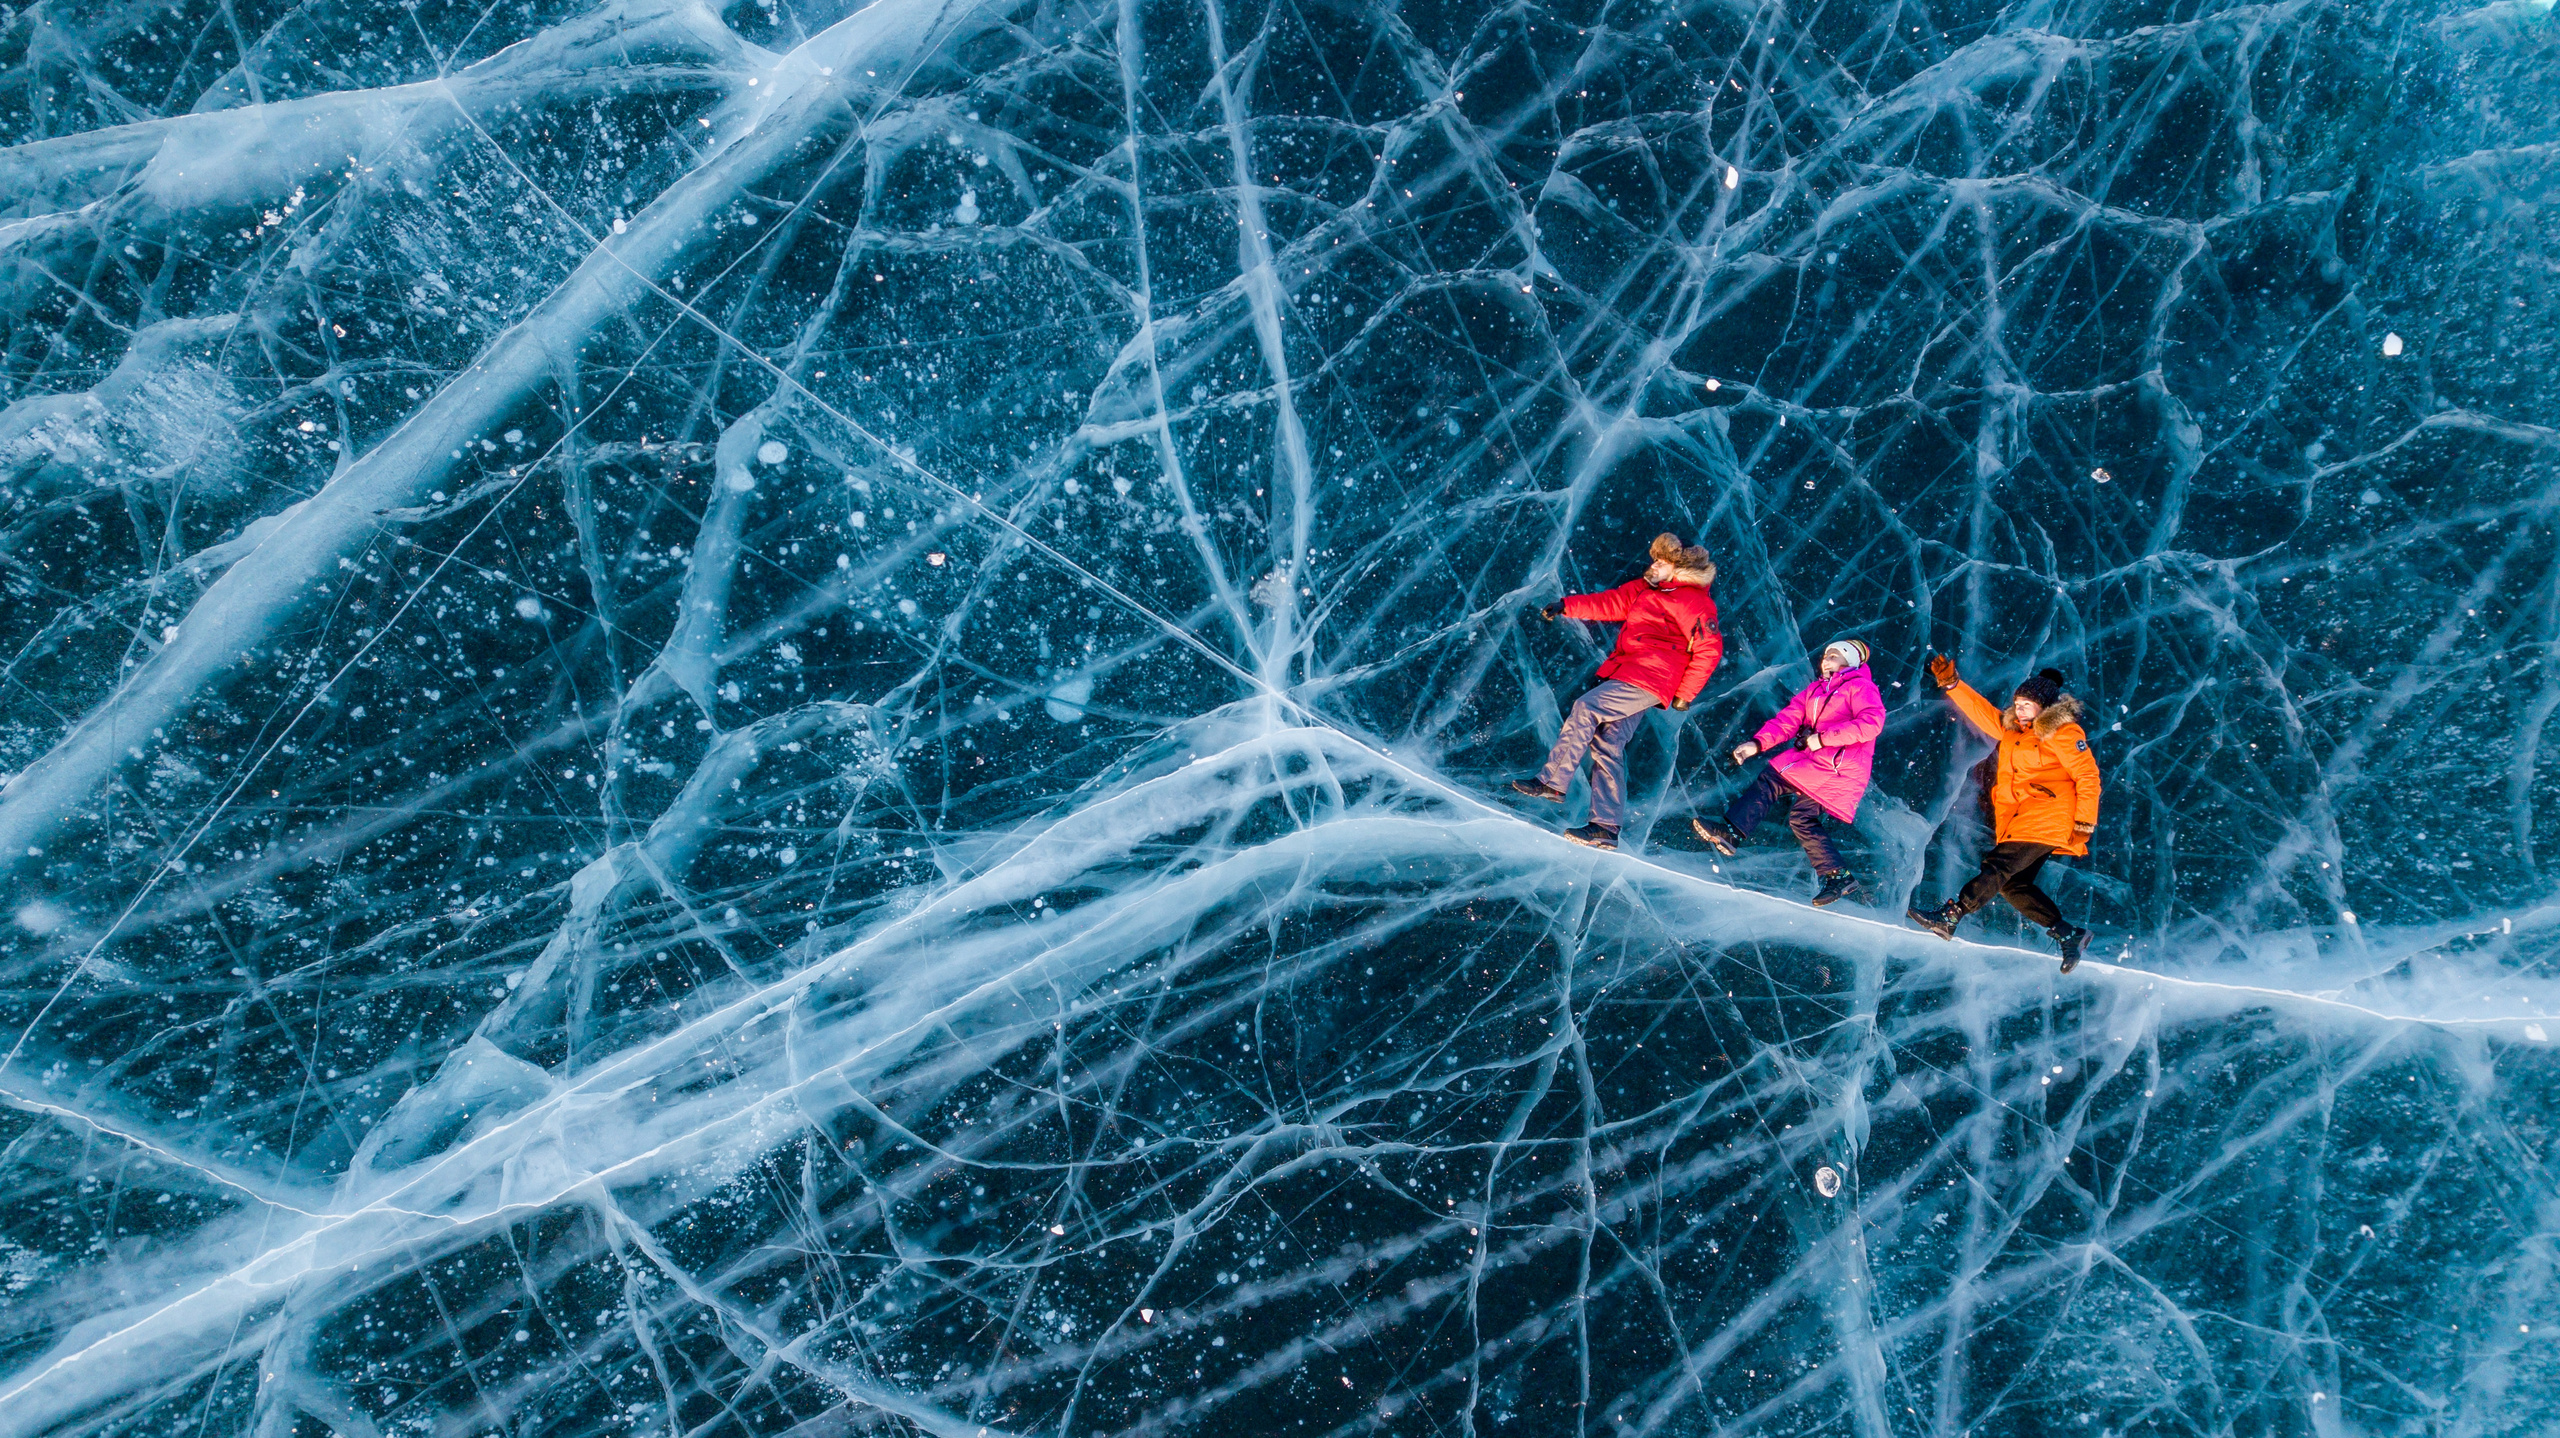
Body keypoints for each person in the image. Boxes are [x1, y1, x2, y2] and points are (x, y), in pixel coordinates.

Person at [1511, 532, 1721, 850]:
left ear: (1677, 568)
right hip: (1632, 671)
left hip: (1652, 676)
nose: (1655, 565)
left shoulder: (1692, 600)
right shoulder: (1645, 589)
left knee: (1587, 708)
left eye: (1661, 562)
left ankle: (1552, 782)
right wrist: (1567, 606)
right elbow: (1609, 603)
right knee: (1608, 743)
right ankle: (1605, 828)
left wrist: (1685, 694)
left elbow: (1709, 647)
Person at [1905, 659, 2100, 972]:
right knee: (2013, 885)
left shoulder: (2063, 732)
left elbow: (2087, 776)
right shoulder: (2013, 731)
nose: (2020, 709)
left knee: (1998, 866)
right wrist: (1953, 685)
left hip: (2049, 815)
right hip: (2024, 817)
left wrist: (2084, 822)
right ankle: (2069, 934)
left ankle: (1951, 916)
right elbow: (1983, 713)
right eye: (2018, 703)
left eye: (2027, 705)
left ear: (2045, 708)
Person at [1691, 639, 1884, 906]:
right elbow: (1788, 720)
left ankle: (1733, 832)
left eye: (1835, 656)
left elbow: (1872, 723)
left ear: (1850, 662)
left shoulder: (1860, 686)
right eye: (1826, 656)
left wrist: (1824, 739)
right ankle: (1838, 877)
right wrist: (1757, 743)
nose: (1827, 661)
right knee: (1798, 815)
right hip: (1818, 761)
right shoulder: (1815, 690)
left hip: (1838, 767)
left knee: (1778, 787)